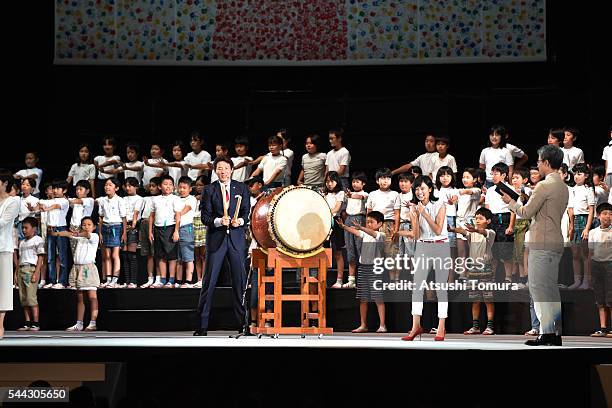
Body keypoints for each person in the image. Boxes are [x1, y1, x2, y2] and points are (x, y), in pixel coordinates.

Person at [501, 145, 569, 346]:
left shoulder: (544, 185)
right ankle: (554, 333)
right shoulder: (563, 186)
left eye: (539, 161)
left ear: (547, 163)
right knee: (550, 290)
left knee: (539, 289)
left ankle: (546, 333)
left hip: (542, 242)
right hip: (555, 240)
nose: (537, 165)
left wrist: (511, 202)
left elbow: (525, 212)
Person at [195, 156, 250, 336]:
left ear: (232, 170)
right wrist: (219, 221)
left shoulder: (241, 188)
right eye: (219, 168)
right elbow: (205, 217)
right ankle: (202, 326)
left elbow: (246, 212)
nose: (223, 171)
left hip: (236, 240)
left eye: (226, 168)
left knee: (240, 282)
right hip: (216, 240)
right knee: (209, 283)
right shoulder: (209, 190)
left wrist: (239, 221)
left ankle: (243, 325)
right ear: (215, 170)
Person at [401, 175, 450, 341]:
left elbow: (437, 230)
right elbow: (416, 235)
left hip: (441, 245)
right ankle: (416, 326)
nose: (419, 191)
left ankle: (441, 326)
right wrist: (414, 215)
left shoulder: (440, 204)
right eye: (417, 189)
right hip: (422, 245)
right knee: (417, 286)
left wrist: (424, 213)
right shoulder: (415, 207)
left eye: (422, 188)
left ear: (430, 189)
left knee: (440, 287)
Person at [338, 211, 387, 333]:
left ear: (380, 224)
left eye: (371, 222)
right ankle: (363, 325)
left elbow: (369, 232)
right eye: (368, 222)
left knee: (378, 298)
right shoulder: (365, 234)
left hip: (375, 268)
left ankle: (382, 325)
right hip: (363, 268)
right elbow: (355, 232)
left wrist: (361, 227)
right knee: (363, 298)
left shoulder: (381, 235)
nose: (369, 224)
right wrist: (344, 227)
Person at [451, 208, 496, 335]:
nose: (477, 220)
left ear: (488, 221)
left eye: (480, 218)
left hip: (486, 268)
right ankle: (475, 326)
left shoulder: (490, 232)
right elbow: (463, 231)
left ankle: (490, 326)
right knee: (475, 299)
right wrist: (452, 229)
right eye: (476, 218)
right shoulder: (472, 233)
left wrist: (475, 229)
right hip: (473, 270)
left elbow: (482, 231)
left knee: (488, 299)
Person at [54, 217, 101, 332]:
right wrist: (57, 233)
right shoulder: (78, 237)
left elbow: (85, 234)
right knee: (80, 297)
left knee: (92, 297)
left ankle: (93, 322)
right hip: (77, 268)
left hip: (88, 269)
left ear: (94, 227)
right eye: (84, 224)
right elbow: (68, 233)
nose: (86, 226)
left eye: (89, 224)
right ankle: (79, 323)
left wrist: (77, 233)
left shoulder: (94, 236)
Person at [149, 175, 184, 288]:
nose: (168, 186)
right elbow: (152, 216)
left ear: (173, 187)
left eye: (170, 184)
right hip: (158, 228)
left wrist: (176, 231)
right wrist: (150, 231)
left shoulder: (175, 199)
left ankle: (171, 279)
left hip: (170, 228)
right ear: (160, 186)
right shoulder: (156, 199)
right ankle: (163, 279)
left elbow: (178, 216)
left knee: (172, 255)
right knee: (160, 255)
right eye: (165, 184)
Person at [366, 168, 400, 282]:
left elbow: (397, 214)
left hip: (389, 224)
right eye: (382, 178)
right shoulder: (372, 194)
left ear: (391, 180)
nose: (384, 181)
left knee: (390, 253)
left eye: (387, 178)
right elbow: (369, 212)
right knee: (375, 253)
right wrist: (368, 228)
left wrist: (396, 229)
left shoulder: (395, 194)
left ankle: (392, 280)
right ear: (377, 181)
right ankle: (376, 279)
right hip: (375, 225)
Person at [484, 163, 515, 284]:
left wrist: (511, 226)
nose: (493, 176)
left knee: (506, 251)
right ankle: (491, 276)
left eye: (496, 174)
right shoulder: (490, 190)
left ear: (504, 175)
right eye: (492, 174)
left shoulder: (509, 188)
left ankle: (508, 277)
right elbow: (487, 209)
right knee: (493, 251)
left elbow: (513, 209)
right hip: (492, 221)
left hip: (505, 220)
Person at [568, 163, 595, 290]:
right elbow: (570, 209)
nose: (576, 176)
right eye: (574, 174)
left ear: (586, 175)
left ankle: (586, 281)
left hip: (584, 220)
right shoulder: (571, 189)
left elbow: (591, 210)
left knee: (585, 253)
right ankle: (576, 280)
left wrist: (587, 228)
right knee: (574, 253)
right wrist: (571, 225)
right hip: (574, 220)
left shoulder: (588, 189)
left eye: (579, 174)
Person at [0, 171, 20, 339]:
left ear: (4, 183)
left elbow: (3, 222)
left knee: (3, 288)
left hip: (3, 248)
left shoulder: (13, 201)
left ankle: (0, 325)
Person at [97, 178, 127, 288]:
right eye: (106, 185)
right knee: (107, 255)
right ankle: (108, 279)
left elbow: (123, 218)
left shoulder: (120, 200)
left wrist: (124, 233)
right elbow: (101, 217)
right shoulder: (102, 200)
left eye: (110, 185)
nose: (107, 187)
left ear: (116, 188)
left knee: (115, 254)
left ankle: (115, 279)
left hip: (116, 227)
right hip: (105, 227)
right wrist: (100, 232)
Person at [588, 203, 612, 337]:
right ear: (598, 216)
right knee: (600, 299)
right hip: (596, 266)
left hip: (610, 265)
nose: (607, 217)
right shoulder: (593, 233)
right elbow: (590, 254)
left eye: (610, 214)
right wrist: (589, 272)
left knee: (611, 298)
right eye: (604, 214)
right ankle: (603, 328)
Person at [343, 171, 368, 289]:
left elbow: (360, 197)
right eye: (353, 181)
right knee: (350, 251)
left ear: (363, 184)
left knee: (360, 249)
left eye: (357, 182)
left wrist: (350, 195)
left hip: (360, 220)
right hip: (348, 219)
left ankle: (362, 280)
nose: (355, 184)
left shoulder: (366, 194)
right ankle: (351, 280)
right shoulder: (348, 194)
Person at [325, 171, 346, 288]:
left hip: (336, 222)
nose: (329, 184)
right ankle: (324, 280)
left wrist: (324, 212)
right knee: (324, 252)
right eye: (327, 181)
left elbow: (337, 208)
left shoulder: (340, 193)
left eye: (331, 181)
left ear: (337, 181)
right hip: (323, 223)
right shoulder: (324, 193)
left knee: (338, 252)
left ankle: (339, 280)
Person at [510, 167, 531, 289]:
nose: (514, 180)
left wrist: (521, 192)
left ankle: (526, 279)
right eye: (513, 178)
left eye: (517, 178)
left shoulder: (526, 190)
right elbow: (513, 210)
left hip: (526, 222)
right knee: (518, 252)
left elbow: (527, 201)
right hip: (518, 222)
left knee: (524, 251)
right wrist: (511, 225)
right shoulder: (514, 191)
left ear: (525, 179)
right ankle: (522, 278)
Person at [139, 177, 161, 288]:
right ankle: (150, 278)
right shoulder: (146, 199)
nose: (151, 188)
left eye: (154, 186)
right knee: (148, 254)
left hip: (155, 224)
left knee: (156, 253)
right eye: (150, 186)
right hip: (144, 223)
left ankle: (158, 278)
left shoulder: (161, 199)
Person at [122, 177, 143, 288]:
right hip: (123, 225)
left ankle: (133, 281)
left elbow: (136, 213)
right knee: (124, 253)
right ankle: (127, 280)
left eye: (130, 186)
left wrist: (133, 226)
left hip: (133, 225)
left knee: (132, 253)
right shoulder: (123, 199)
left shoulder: (139, 199)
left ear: (136, 187)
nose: (128, 188)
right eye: (127, 186)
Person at [177, 176, 197, 288]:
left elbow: (186, 209)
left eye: (184, 188)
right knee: (178, 257)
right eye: (180, 187)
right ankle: (178, 280)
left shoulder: (192, 199)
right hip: (175, 228)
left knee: (188, 256)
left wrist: (176, 213)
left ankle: (188, 281)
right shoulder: (175, 198)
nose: (181, 190)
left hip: (187, 228)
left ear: (190, 189)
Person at [193, 175, 207, 288]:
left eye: (201, 185)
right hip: (193, 224)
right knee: (197, 255)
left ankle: (205, 279)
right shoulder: (193, 198)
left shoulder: (209, 197)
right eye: (197, 185)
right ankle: (199, 279)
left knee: (204, 255)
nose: (198, 187)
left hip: (204, 225)